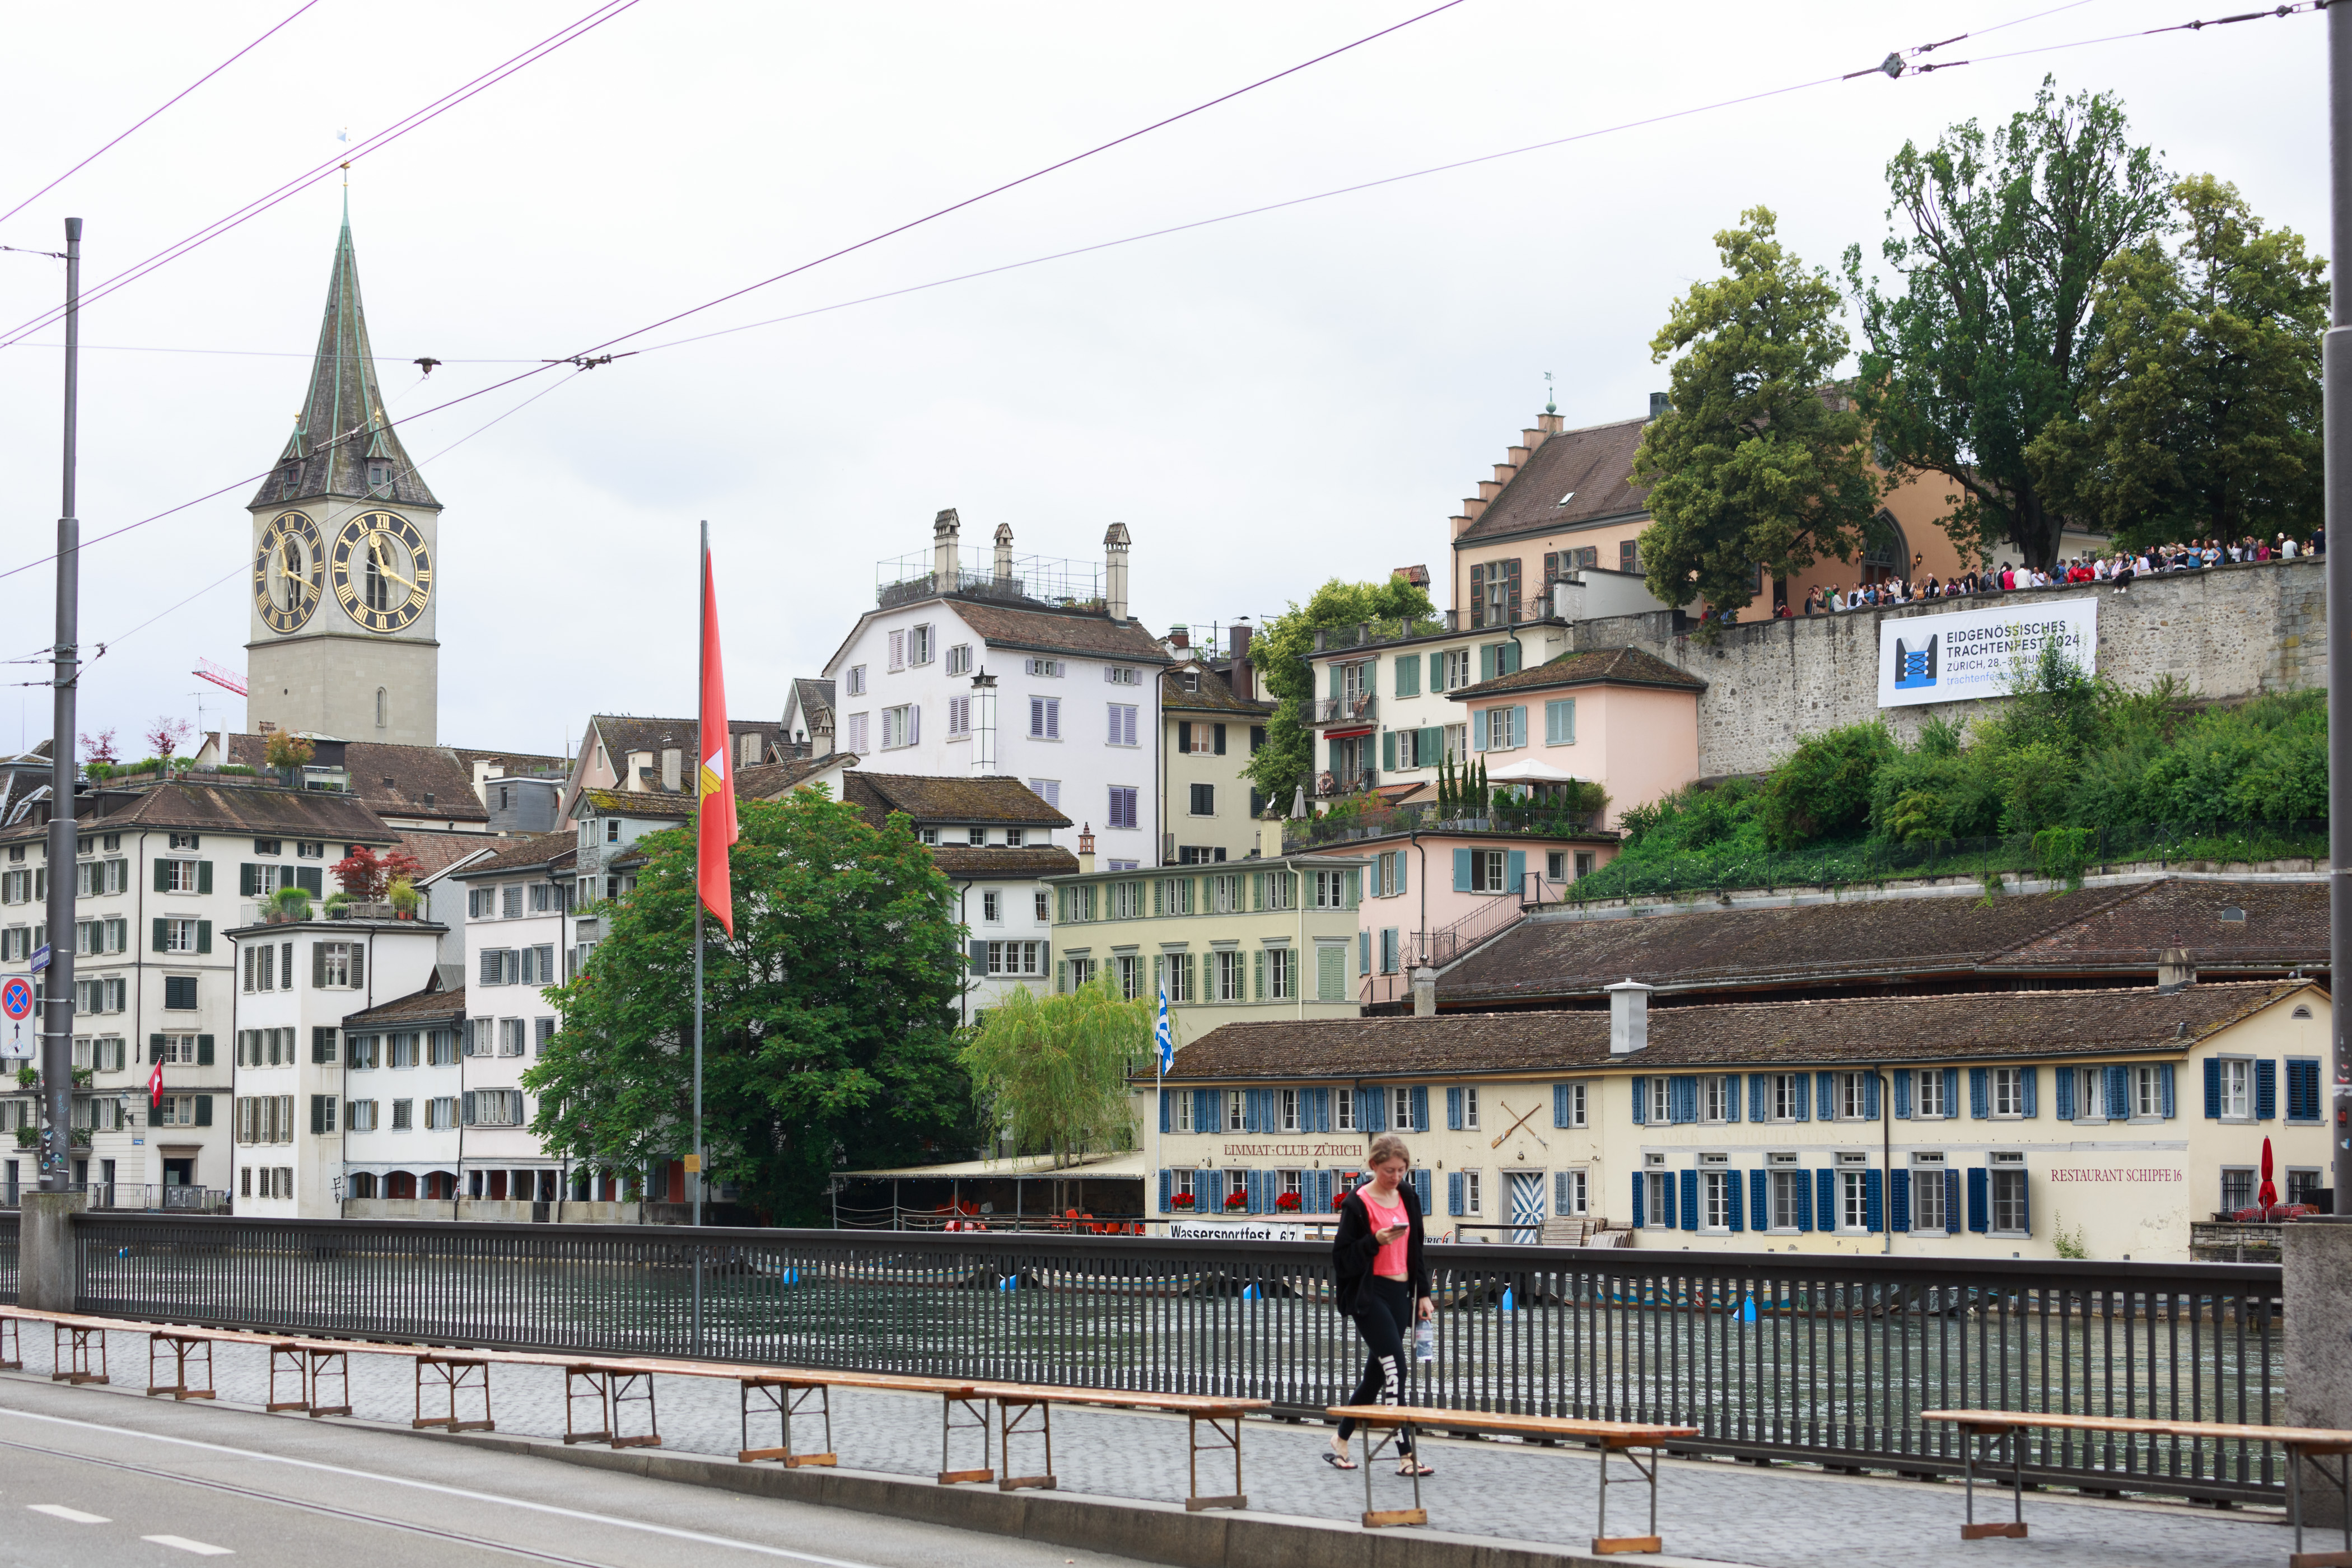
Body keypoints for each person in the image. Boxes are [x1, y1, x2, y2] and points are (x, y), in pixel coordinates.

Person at [1327, 1135, 1435, 1477]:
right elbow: (1342, 1259)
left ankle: (1340, 1441)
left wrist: (1423, 1293)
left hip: (1402, 1294)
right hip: (1370, 1297)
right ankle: (1405, 1455)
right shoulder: (1357, 1204)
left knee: (1376, 1374)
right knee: (1397, 1370)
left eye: (1402, 1170)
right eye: (1390, 1170)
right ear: (1373, 1166)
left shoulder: (1407, 1196)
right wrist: (1374, 1241)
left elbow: (1416, 1249)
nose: (1396, 1177)